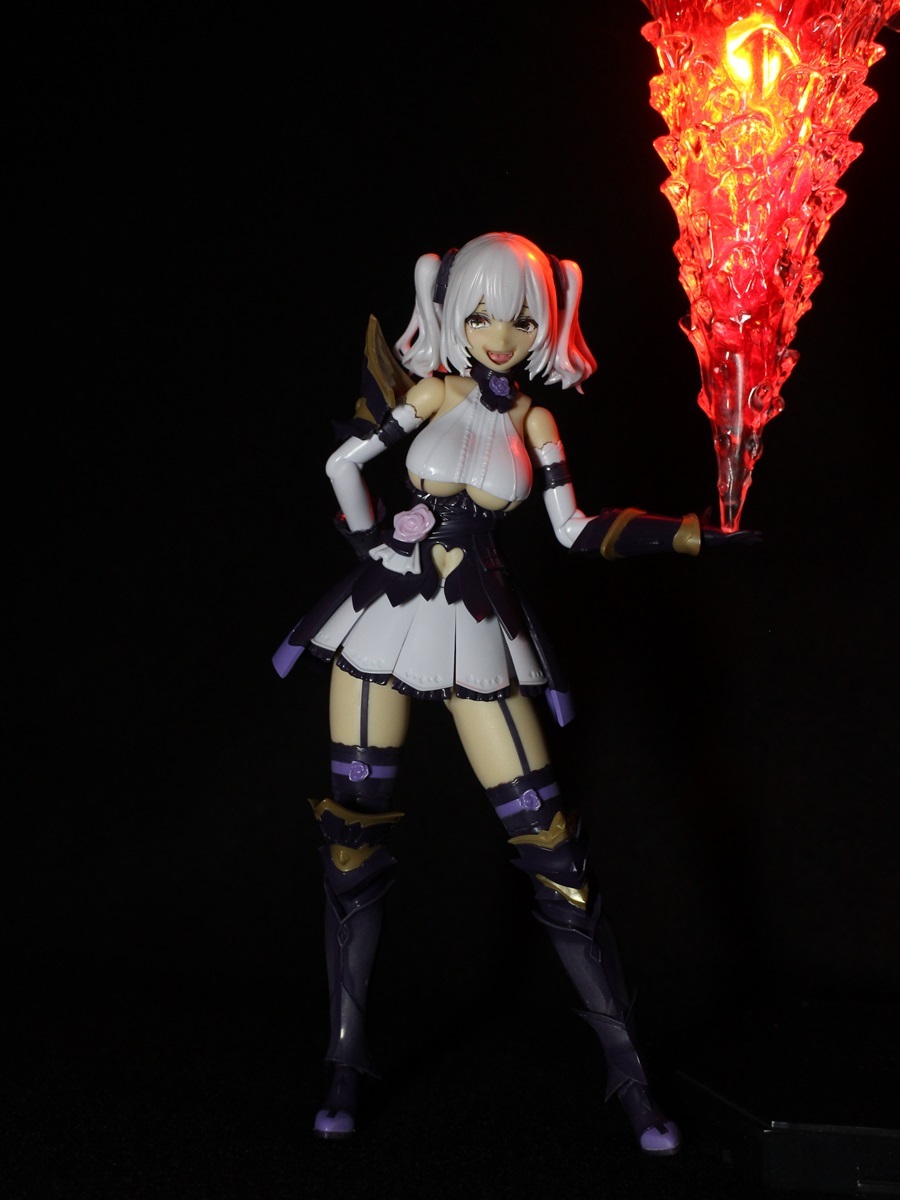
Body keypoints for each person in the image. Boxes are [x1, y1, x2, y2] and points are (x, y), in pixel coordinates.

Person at [273, 231, 741, 1153]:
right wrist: (373, 542)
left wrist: (687, 534)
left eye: (522, 319)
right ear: (452, 312)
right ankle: (344, 1061)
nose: (500, 336)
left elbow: (576, 531)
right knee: (352, 838)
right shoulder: (431, 395)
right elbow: (341, 466)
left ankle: (632, 1078)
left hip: (479, 627)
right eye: (482, 314)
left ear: (547, 324)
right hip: (383, 616)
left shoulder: (536, 422)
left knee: (551, 842)